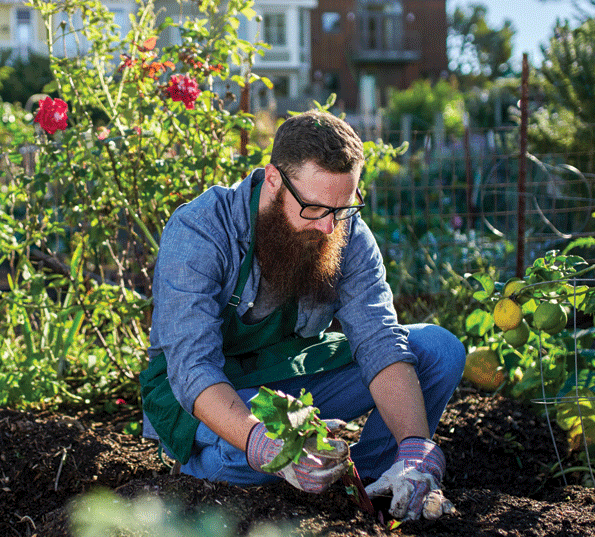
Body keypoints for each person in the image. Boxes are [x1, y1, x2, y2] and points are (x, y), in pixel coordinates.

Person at [139, 110, 466, 521]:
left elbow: (379, 339)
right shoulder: (201, 230)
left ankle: (372, 488)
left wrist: (415, 447)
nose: (329, 227)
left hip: (287, 375)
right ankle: (199, 472)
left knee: (439, 350)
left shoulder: (344, 230)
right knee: (251, 453)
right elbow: (192, 369)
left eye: (342, 208)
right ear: (273, 180)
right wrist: (261, 441)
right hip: (204, 393)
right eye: (313, 208)